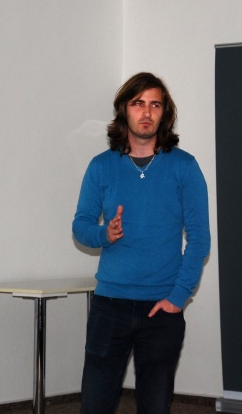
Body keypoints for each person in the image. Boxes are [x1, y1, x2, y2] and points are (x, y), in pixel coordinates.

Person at [72, 72, 211, 413]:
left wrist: (178, 297)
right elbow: (81, 226)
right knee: (94, 405)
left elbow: (199, 238)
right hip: (109, 306)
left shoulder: (185, 167)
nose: (146, 112)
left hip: (161, 308)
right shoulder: (101, 167)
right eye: (138, 103)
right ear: (124, 109)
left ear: (164, 113)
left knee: (155, 407)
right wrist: (105, 234)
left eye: (155, 105)